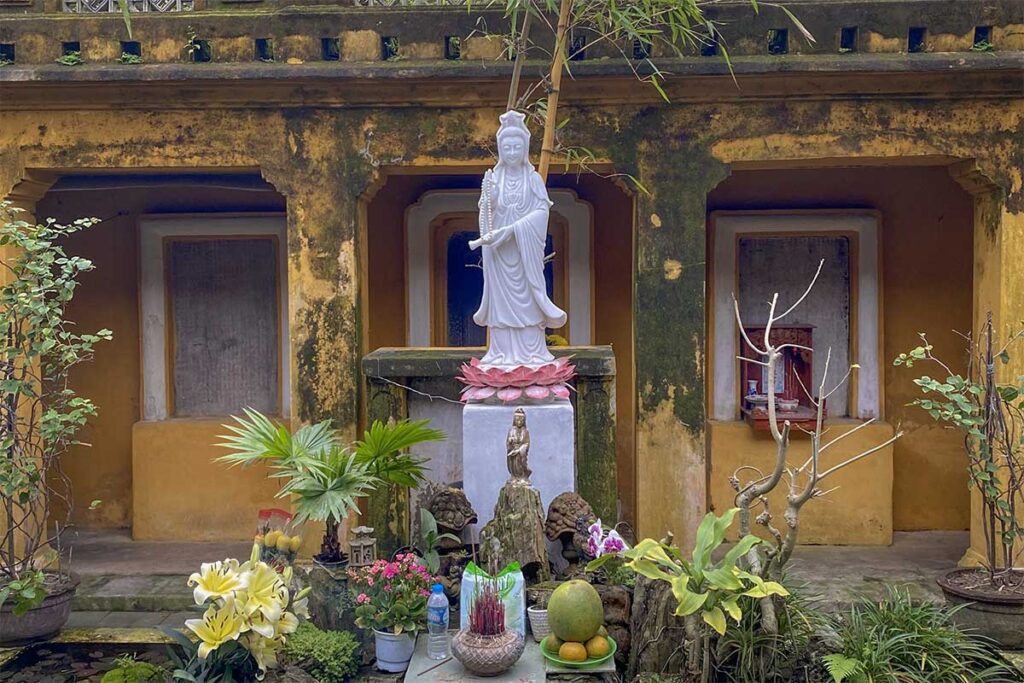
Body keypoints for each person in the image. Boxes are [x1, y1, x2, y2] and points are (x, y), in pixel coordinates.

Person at [469, 110, 567, 369]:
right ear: (501, 149)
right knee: (501, 306)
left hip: (525, 256)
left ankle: (533, 352)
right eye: (507, 147)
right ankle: (500, 353)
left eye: (516, 147)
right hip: (500, 255)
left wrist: (517, 228)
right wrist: (488, 199)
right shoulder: (495, 178)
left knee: (528, 302)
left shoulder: (533, 179)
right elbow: (486, 214)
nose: (512, 151)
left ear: (524, 149)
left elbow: (542, 211)